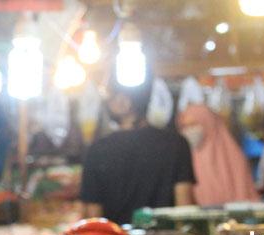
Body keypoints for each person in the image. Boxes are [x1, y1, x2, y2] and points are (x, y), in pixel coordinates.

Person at [80, 85, 195, 225]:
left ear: (123, 101)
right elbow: (184, 209)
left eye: (110, 96)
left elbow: (94, 217)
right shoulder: (176, 144)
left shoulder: (97, 149)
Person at [178, 104, 260, 206]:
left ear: (208, 123)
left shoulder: (232, 156)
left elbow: (245, 195)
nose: (189, 130)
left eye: (194, 124)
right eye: (185, 126)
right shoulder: (184, 158)